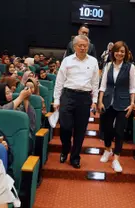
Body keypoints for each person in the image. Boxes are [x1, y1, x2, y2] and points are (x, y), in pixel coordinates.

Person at [54, 35, 99, 169]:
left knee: (80, 131)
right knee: (65, 127)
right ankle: (65, 149)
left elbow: (95, 83)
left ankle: (75, 157)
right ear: (74, 47)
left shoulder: (93, 62)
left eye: (85, 46)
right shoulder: (67, 61)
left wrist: (95, 100)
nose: (83, 48)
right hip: (68, 95)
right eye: (80, 45)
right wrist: (56, 99)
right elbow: (59, 81)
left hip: (84, 98)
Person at [98, 41, 135, 172]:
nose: (119, 53)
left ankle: (116, 159)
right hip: (108, 101)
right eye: (117, 51)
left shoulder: (130, 67)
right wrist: (100, 101)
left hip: (123, 103)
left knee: (120, 131)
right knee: (107, 129)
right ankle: (107, 149)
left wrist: (132, 103)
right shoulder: (108, 65)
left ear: (125, 54)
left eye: (122, 52)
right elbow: (102, 85)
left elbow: (132, 87)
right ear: (113, 52)